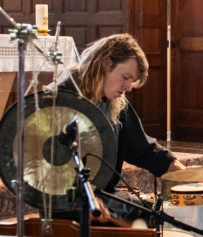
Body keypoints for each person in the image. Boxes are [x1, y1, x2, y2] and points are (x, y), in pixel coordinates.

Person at [60, 33, 184, 219]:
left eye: (131, 81)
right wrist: (84, 200)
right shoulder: (62, 99)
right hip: (70, 204)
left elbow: (142, 149)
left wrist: (188, 174)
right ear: (106, 63)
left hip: (106, 198)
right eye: (125, 77)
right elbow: (45, 168)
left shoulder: (115, 103)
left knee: (162, 216)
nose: (128, 87)